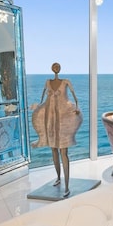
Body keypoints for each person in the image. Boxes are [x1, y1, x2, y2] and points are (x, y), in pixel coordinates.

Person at [31, 62, 83, 197]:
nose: (56, 69)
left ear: (59, 68)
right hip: (51, 118)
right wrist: (37, 106)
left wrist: (77, 108)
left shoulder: (66, 82)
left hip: (63, 118)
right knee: (53, 149)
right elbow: (42, 98)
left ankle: (66, 184)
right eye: (54, 67)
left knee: (63, 151)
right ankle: (58, 178)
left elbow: (75, 98)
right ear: (52, 69)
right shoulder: (47, 82)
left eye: (57, 66)